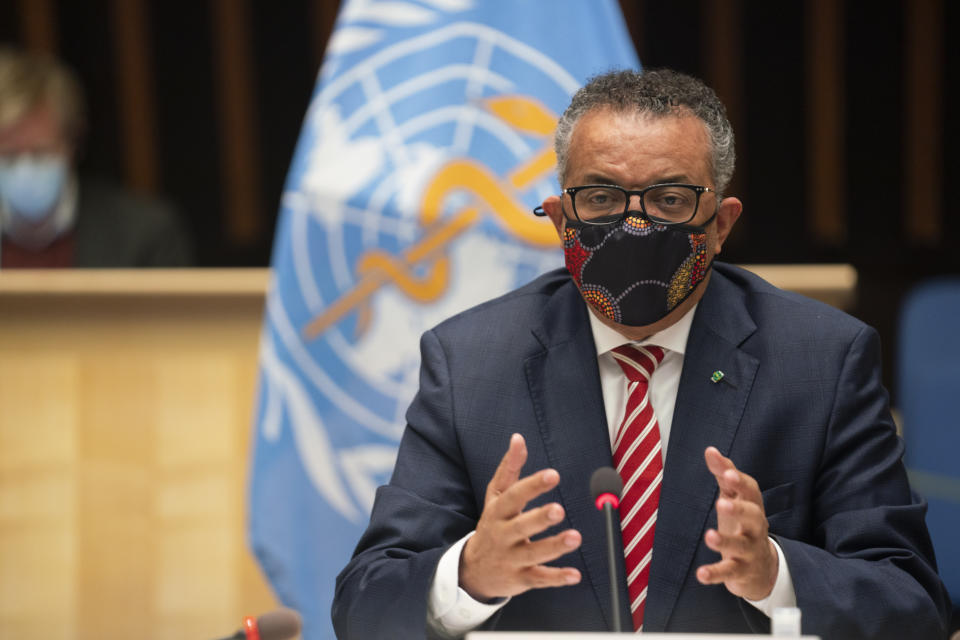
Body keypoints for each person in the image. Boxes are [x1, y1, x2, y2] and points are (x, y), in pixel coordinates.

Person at [332, 69, 952, 639]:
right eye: (600, 198)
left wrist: (777, 574)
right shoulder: (470, 362)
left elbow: (913, 603)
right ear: (557, 217)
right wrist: (469, 574)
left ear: (721, 223)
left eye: (668, 199)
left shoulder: (821, 359)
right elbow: (363, 605)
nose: (633, 225)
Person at [0, 48, 192, 267]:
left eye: (41, 153)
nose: (25, 169)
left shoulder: (146, 233)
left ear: (72, 145)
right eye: (9, 156)